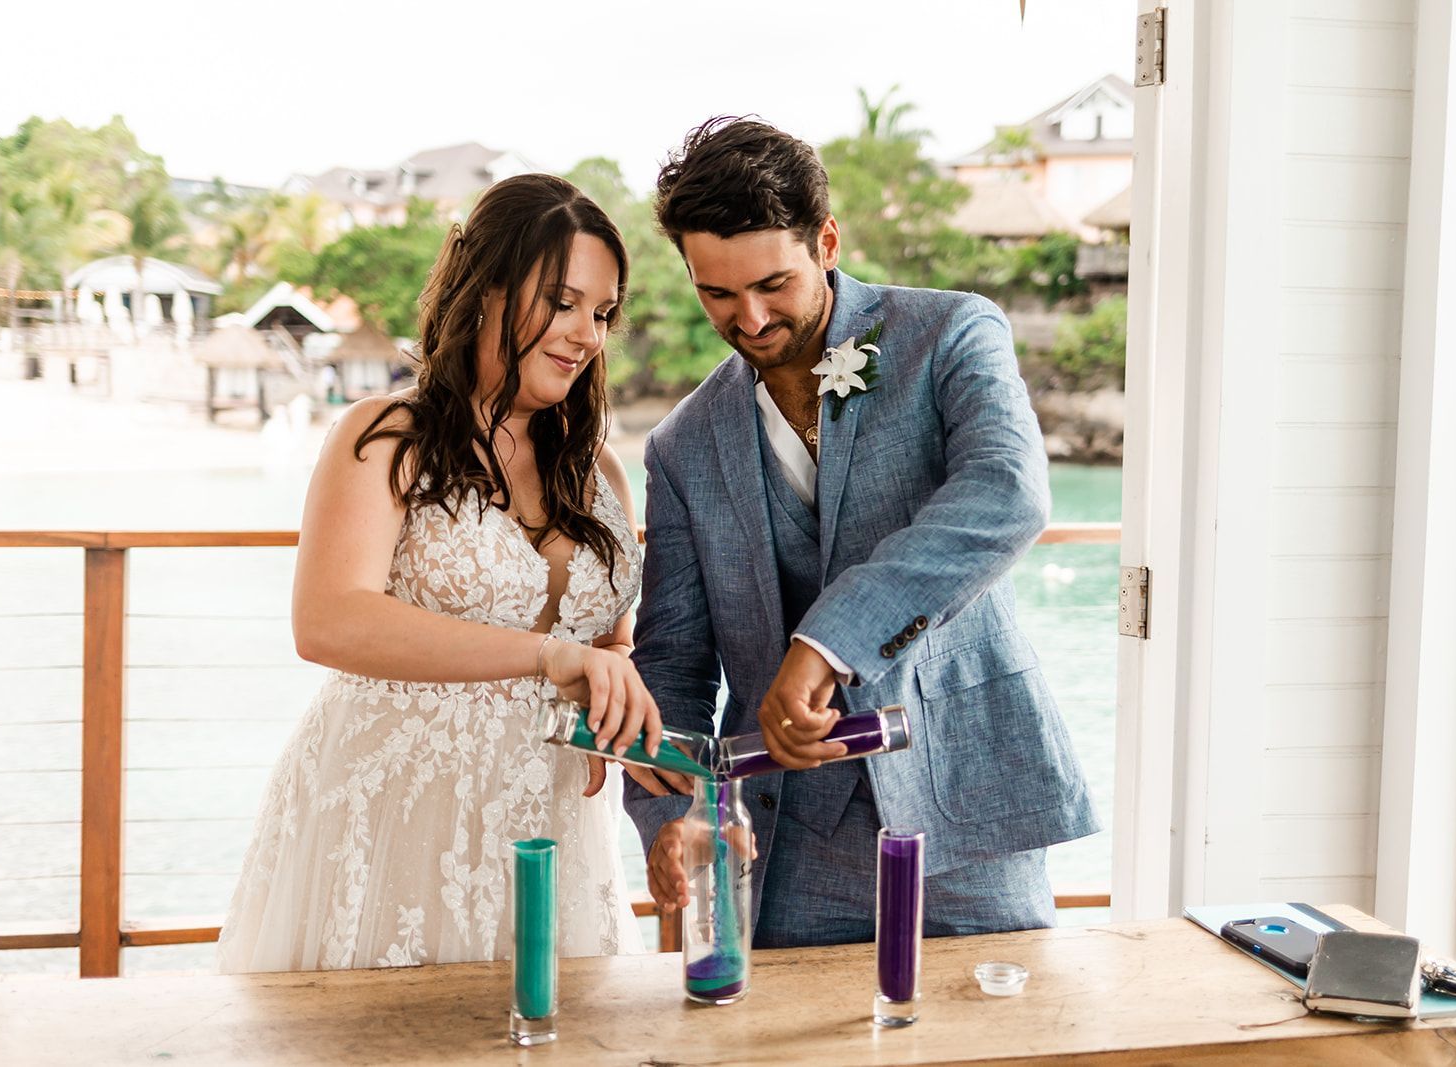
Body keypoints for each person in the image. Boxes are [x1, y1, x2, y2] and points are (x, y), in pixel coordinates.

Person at [627, 118, 1100, 947]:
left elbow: (1008, 494)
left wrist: (828, 642)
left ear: (828, 241)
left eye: (774, 283)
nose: (751, 316)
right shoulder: (681, 447)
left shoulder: (952, 334)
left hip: (969, 814)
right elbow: (672, 659)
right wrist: (675, 809)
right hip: (789, 841)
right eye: (718, 294)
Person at [219, 174, 663, 972]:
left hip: (552, 817)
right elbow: (328, 621)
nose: (586, 334)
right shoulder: (388, 435)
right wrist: (544, 656)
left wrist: (616, 697)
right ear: (486, 289)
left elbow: (612, 643)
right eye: (561, 302)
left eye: (601, 313)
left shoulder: (598, 470)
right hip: (395, 808)